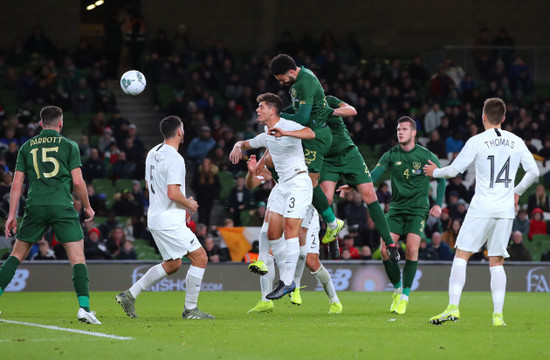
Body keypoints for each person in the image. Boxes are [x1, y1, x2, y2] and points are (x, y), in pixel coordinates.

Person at [424, 98, 539, 327]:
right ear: (504, 118)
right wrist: (517, 192)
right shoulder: (516, 141)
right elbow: (534, 172)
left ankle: (453, 307)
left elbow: (455, 170)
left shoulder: (477, 140)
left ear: (483, 117)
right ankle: (498, 317)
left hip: (482, 207)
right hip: (505, 209)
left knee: (462, 255)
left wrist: (435, 172)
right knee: (496, 262)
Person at [0, 105, 100, 324]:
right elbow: (77, 181)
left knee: (16, 255)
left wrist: (11, 215)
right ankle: (84, 308)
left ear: (40, 123)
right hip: (62, 206)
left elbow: (16, 184)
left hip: (34, 206)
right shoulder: (69, 145)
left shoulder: (26, 147)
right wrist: (87, 206)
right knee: (77, 258)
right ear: (61, 123)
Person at [116, 115, 214, 320]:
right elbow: (172, 193)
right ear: (179, 132)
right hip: (168, 221)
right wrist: (189, 204)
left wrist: (181, 208)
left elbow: (149, 187)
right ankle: (190, 310)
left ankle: (129, 295)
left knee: (173, 263)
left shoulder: (153, 153)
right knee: (200, 257)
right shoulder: (175, 158)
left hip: (156, 217)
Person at [230, 92, 314, 300]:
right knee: (272, 233)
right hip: (282, 186)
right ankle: (288, 280)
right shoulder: (266, 135)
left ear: (273, 110)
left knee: (289, 229)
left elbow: (311, 133)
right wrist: (237, 146)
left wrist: (286, 133)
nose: (257, 110)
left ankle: (286, 281)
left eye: (261, 107)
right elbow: (246, 143)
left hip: (298, 182)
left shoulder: (288, 124)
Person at [359, 116, 445, 315]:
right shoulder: (391, 154)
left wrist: (438, 205)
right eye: (398, 129)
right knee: (384, 250)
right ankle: (397, 289)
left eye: (404, 129)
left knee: (412, 249)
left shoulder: (426, 155)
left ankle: (405, 296)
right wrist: (357, 183)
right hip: (396, 209)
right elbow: (373, 175)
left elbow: (441, 179)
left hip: (417, 210)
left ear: (413, 133)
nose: (400, 132)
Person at [269, 54, 344, 249]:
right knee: (276, 164)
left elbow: (302, 117)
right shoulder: (298, 80)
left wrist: (276, 115)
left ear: (292, 71)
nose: (282, 83)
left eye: (282, 78)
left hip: (315, 136)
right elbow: (297, 112)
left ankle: (332, 223)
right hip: (303, 134)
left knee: (309, 183)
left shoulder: (306, 82)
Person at [322, 96, 399, 261]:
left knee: (370, 195)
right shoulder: (300, 110)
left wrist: (328, 111)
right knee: (326, 198)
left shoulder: (328, 100)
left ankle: (389, 243)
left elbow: (352, 110)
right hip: (327, 159)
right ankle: (333, 238)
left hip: (349, 153)